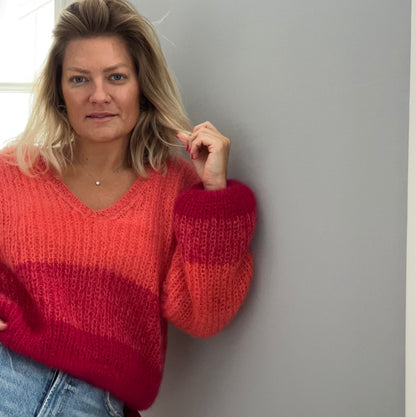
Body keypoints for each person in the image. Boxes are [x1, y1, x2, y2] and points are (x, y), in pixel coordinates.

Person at [0, 0, 256, 416]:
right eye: (79, 79)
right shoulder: (14, 171)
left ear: (141, 84)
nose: (98, 95)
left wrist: (214, 191)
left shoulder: (176, 186)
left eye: (116, 77)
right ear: (60, 92)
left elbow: (204, 314)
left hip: (96, 402)